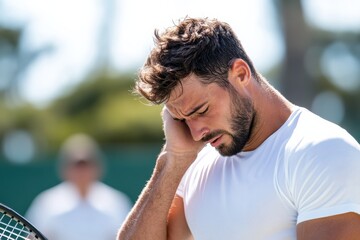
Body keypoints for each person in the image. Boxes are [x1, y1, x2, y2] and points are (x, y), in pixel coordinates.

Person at [117, 17, 360, 240]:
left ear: (241, 74)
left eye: (201, 111)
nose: (196, 133)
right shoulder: (196, 167)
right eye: (182, 119)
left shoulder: (323, 151)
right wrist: (173, 160)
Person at [26, 133, 132, 240]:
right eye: (76, 165)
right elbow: (31, 237)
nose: (81, 171)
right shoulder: (46, 203)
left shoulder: (117, 203)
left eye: (86, 164)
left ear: (97, 167)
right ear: (64, 168)